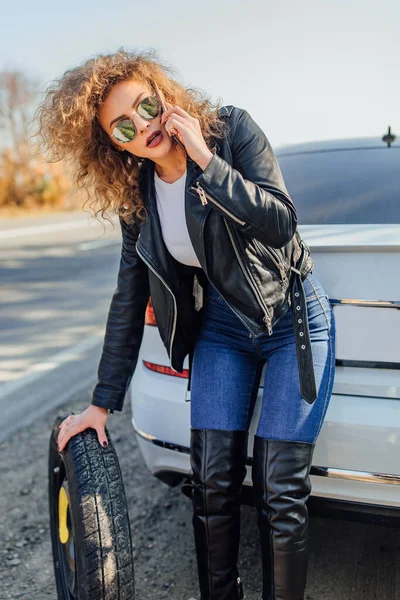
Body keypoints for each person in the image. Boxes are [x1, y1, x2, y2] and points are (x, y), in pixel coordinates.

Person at [35, 48, 336, 600]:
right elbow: (128, 298)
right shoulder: (140, 202)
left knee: (279, 489)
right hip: (224, 330)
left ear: (163, 92)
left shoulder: (232, 130)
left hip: (291, 318)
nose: (144, 124)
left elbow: (280, 223)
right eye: (123, 125)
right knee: (212, 486)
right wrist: (101, 403)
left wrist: (206, 160)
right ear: (115, 145)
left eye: (146, 105)